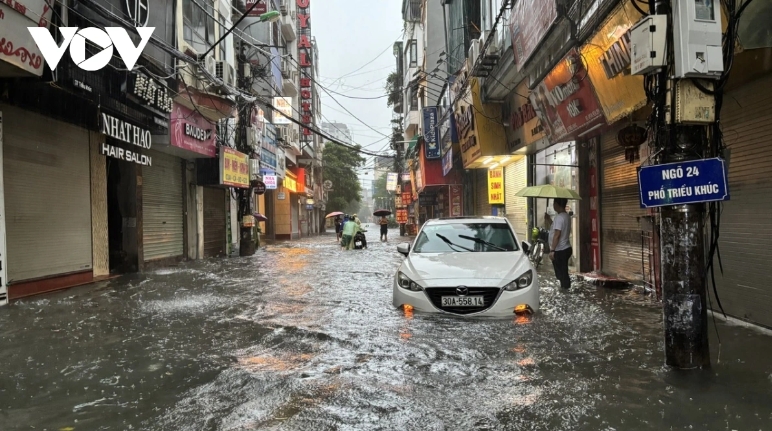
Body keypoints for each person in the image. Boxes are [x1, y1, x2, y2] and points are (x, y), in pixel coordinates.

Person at [548, 198, 572, 290]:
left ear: (557, 204)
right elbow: (555, 228)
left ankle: (565, 290)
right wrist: (548, 219)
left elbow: (557, 235)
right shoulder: (566, 216)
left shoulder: (559, 218)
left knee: (561, 274)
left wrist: (552, 250)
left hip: (560, 250)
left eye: (554, 203)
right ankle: (565, 288)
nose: (553, 205)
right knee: (563, 273)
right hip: (566, 248)